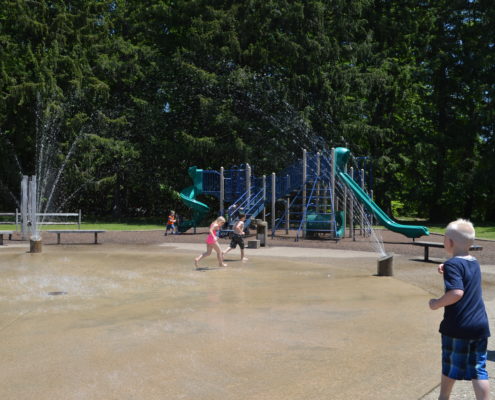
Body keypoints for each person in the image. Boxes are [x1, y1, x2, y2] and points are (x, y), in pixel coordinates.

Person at [429, 219, 490, 400]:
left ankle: (443, 397)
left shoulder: (453, 265)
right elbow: (464, 275)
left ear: (449, 242)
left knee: (450, 366)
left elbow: (456, 292)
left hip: (458, 327)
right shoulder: (473, 262)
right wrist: (445, 268)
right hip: (479, 325)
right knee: (479, 369)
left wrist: (437, 303)